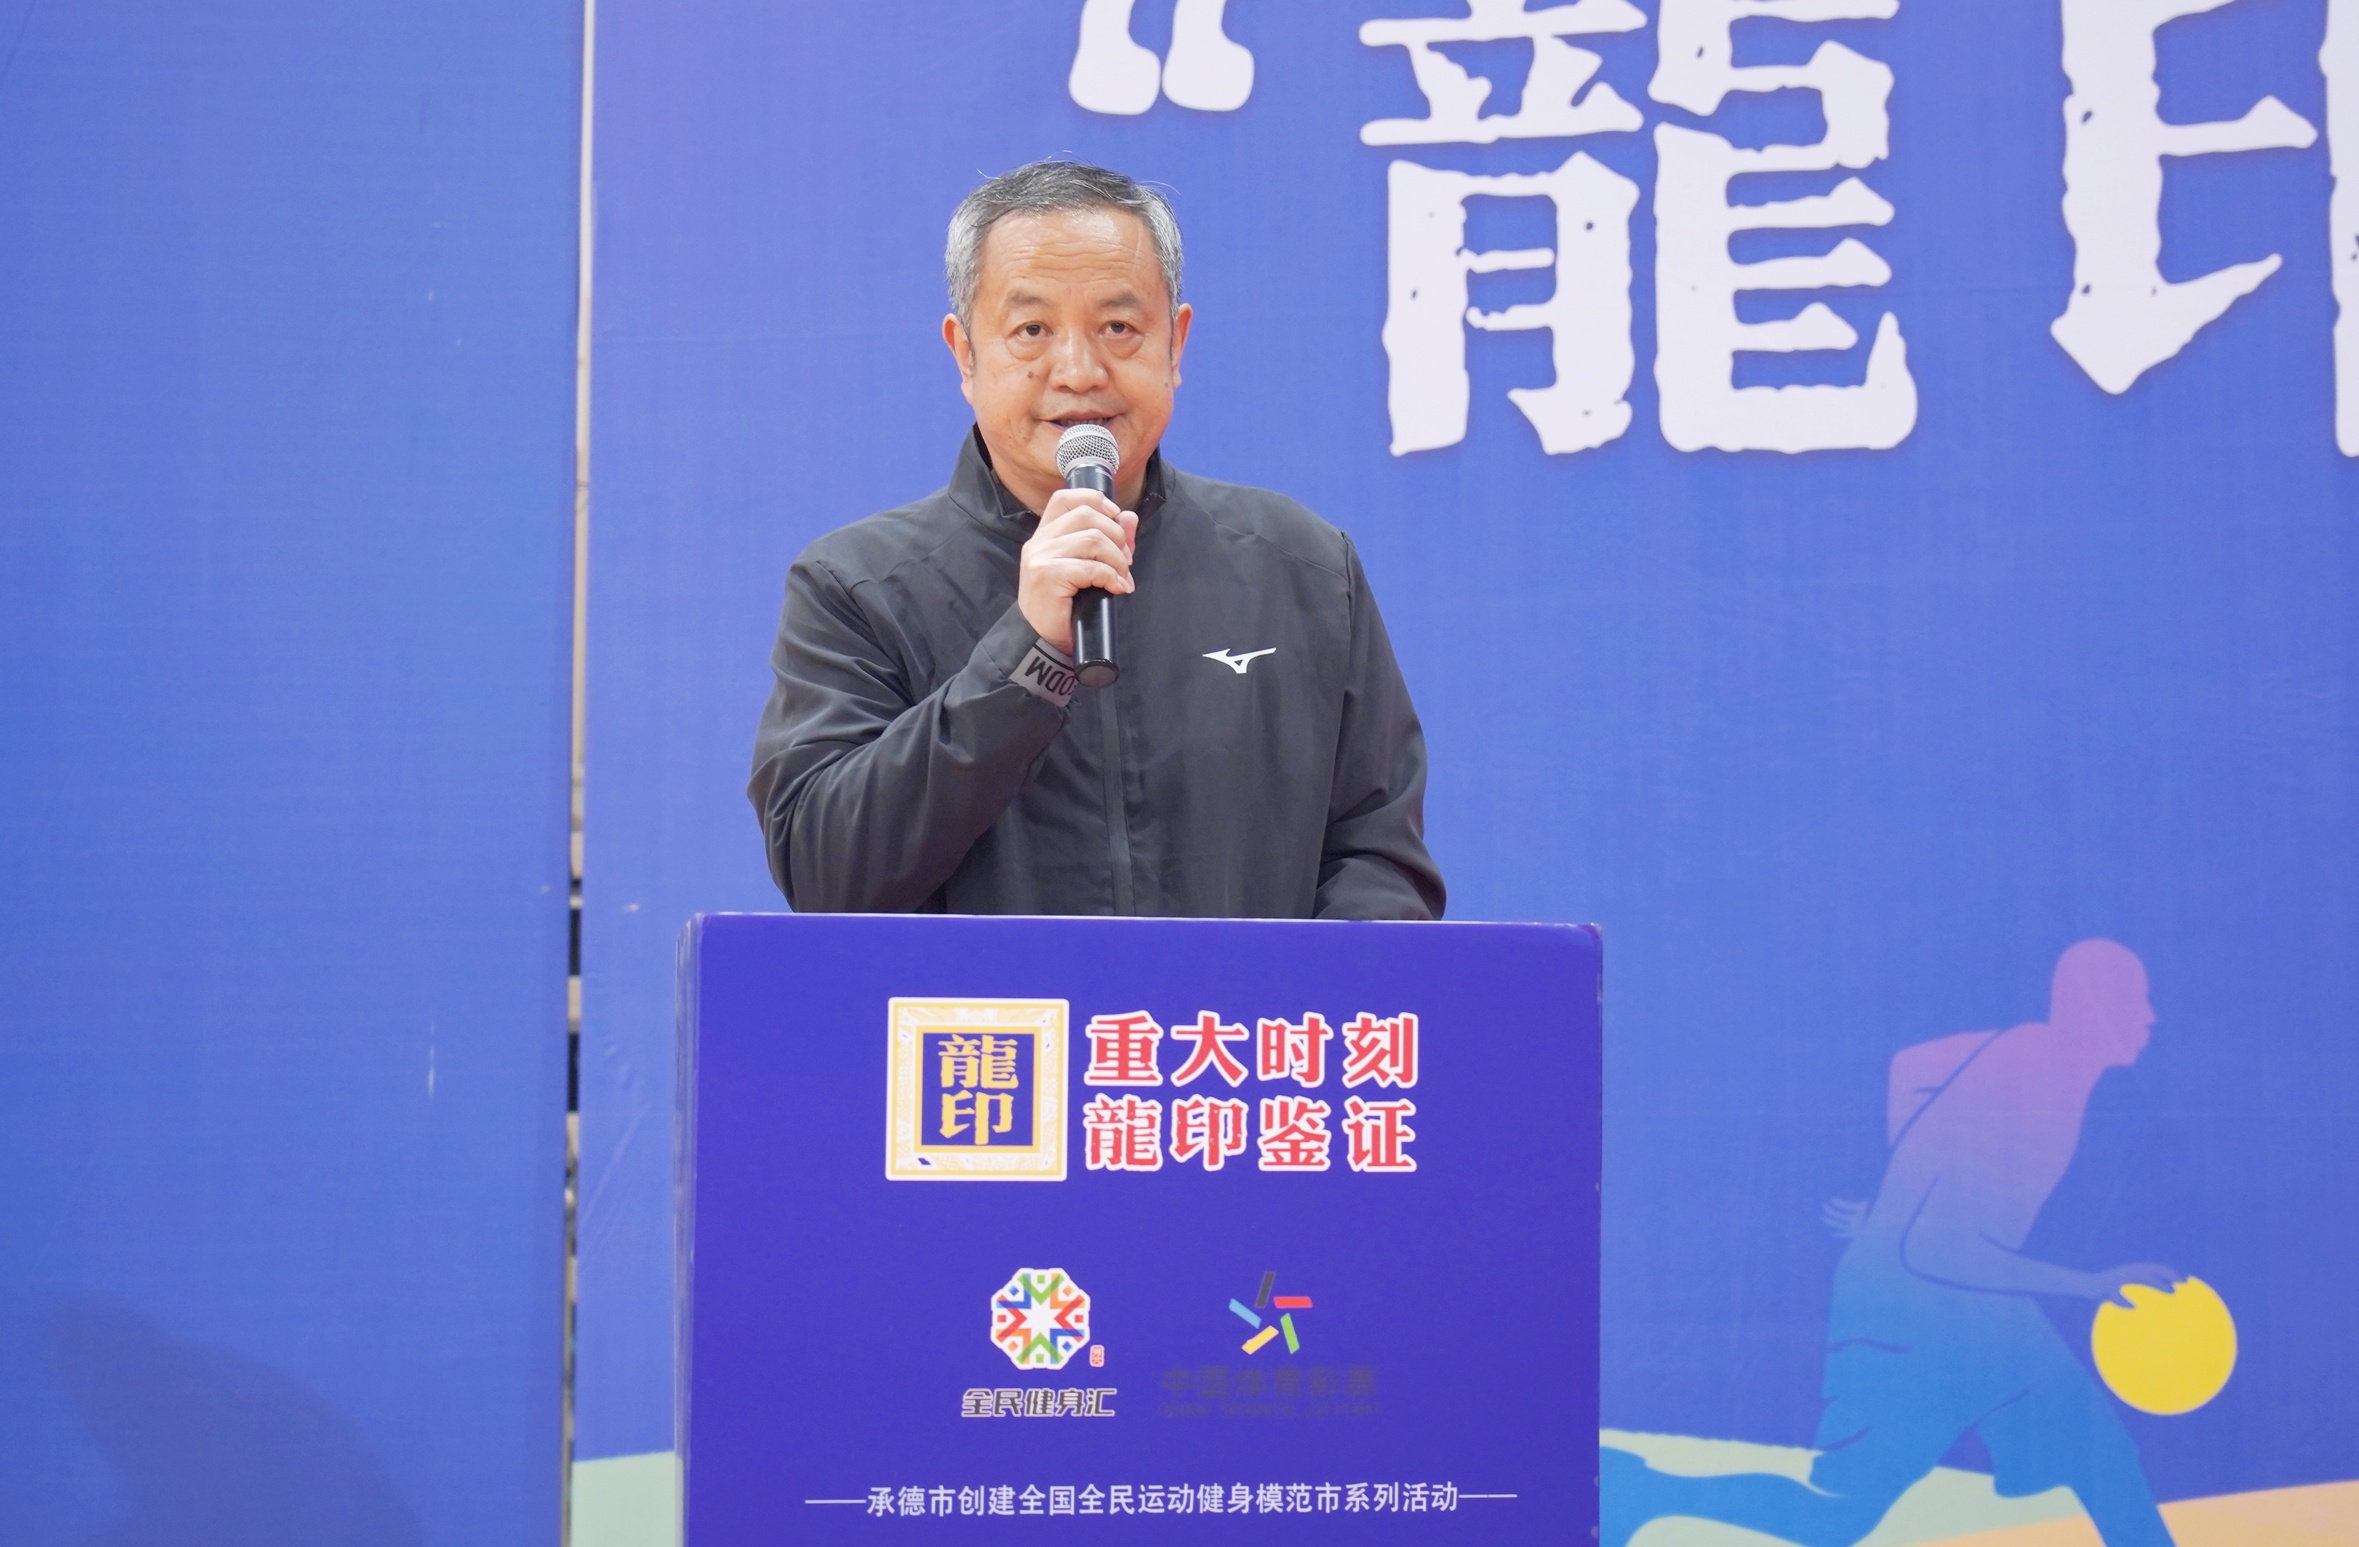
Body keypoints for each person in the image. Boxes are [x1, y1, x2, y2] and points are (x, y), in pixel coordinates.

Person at [749, 160, 1444, 918]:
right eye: (1032, 330)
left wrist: (1287, 985)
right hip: (991, 1004)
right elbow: (825, 872)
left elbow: (1378, 858)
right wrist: (1027, 654)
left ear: (1175, 345)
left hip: (1229, 1004)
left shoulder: (1300, 567)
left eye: (1118, 328)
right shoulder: (857, 585)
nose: (1078, 371)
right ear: (965, 355)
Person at [1605, 940, 2183, 1547]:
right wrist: (2087, 1284)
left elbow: (1912, 1065)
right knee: (1834, 1516)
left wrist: (1899, 1203)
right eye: (2136, 1000)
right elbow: (1937, 1251)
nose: (2150, 1017)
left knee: (2102, 1457)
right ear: (2091, 1006)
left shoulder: (2036, 1052)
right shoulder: (2033, 1086)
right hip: (1904, 1317)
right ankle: (1646, 1489)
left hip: (1986, 1314)